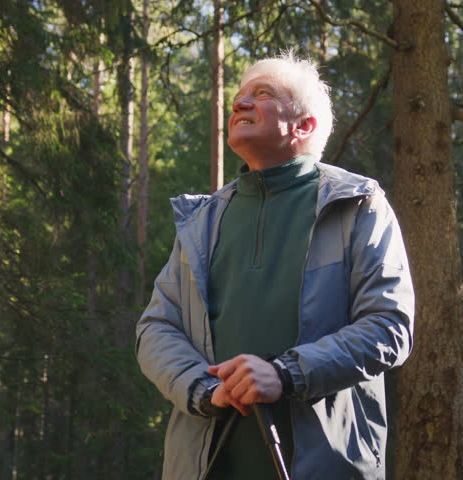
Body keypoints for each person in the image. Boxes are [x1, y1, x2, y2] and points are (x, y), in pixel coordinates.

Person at [135, 51, 414, 480]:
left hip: (327, 466)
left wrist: (286, 373)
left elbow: (389, 325)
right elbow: (156, 328)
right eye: (240, 95)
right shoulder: (202, 220)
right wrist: (206, 390)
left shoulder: (358, 205)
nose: (240, 103)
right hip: (206, 465)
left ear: (304, 126)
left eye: (261, 94)